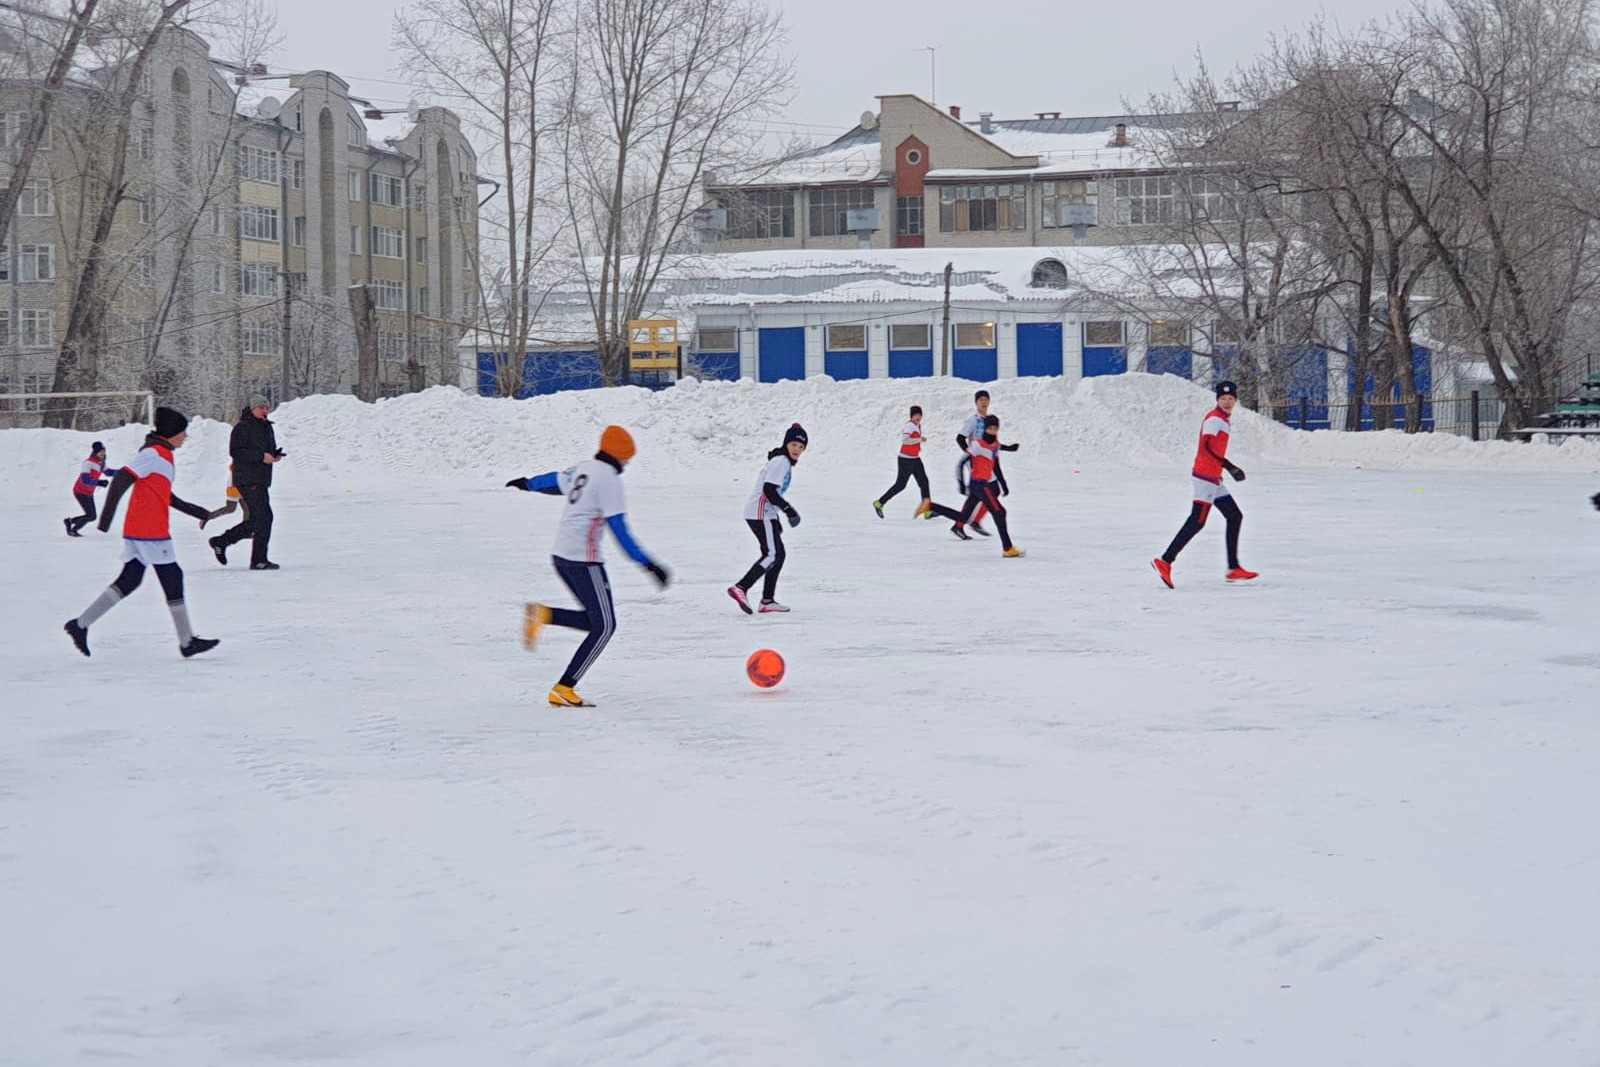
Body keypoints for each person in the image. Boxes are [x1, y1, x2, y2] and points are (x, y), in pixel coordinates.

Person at [508, 425, 671, 708]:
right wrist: (649, 565)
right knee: (605, 626)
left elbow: (552, 482)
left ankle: (544, 614)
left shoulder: (585, 468)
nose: (628, 463)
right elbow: (619, 529)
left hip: (562, 557)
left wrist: (527, 482)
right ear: (618, 455)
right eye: (626, 457)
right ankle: (564, 687)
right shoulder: (608, 479)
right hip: (584, 560)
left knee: (595, 621)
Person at [63, 407, 220, 659]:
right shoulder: (153, 454)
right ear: (171, 434)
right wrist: (104, 520)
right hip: (149, 529)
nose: (185, 437)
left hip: (142, 527)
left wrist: (198, 511)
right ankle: (187, 641)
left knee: (131, 579)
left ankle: (80, 625)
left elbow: (165, 495)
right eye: (182, 433)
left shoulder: (163, 455)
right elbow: (122, 477)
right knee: (172, 576)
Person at [1151, 380, 1259, 588]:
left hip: (1212, 477)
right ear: (1217, 400)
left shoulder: (1223, 419)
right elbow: (1207, 446)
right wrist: (1229, 466)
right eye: (1223, 399)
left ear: (1235, 400)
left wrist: (1222, 469)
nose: (1227, 402)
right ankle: (1165, 561)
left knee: (1234, 516)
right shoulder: (1215, 419)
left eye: (1230, 399)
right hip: (1205, 477)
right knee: (1197, 521)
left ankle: (1233, 568)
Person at [729, 423, 806, 614]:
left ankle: (767, 600)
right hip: (759, 512)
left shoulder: (782, 461)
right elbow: (769, 490)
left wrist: (776, 520)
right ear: (787, 443)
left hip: (765, 513)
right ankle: (742, 587)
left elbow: (771, 492)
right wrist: (789, 510)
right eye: (794, 444)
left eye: (801, 447)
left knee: (778, 555)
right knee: (772, 555)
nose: (797, 449)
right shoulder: (781, 461)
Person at [210, 393, 283, 570]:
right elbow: (236, 451)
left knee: (258, 518)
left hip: (261, 478)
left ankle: (221, 541)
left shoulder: (266, 427)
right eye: (261, 408)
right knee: (265, 517)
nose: (265, 411)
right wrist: (261, 456)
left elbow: (265, 450)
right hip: (247, 478)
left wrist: (274, 455)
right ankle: (258, 560)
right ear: (252, 409)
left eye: (266, 408)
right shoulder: (242, 427)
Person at [950, 414, 1023, 557]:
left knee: (971, 507)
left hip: (985, 477)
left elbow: (995, 460)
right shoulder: (975, 435)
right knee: (999, 511)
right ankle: (1007, 548)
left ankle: (957, 525)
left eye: (995, 428)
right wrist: (963, 480)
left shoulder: (994, 443)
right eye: (990, 428)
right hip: (979, 479)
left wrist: (1003, 482)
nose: (993, 431)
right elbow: (961, 453)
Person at [872, 405, 934, 519]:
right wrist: (919, 439)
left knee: (924, 482)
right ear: (911, 416)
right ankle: (879, 503)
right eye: (915, 415)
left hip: (915, 459)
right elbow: (905, 440)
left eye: (920, 415)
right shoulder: (910, 425)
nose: (918, 417)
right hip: (905, 459)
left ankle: (927, 510)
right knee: (900, 485)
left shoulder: (917, 425)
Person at [955, 391, 993, 536]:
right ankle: (972, 522)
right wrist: (970, 455)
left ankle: (961, 525)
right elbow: (960, 438)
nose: (984, 402)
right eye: (981, 400)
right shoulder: (973, 420)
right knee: (989, 492)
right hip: (977, 464)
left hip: (988, 462)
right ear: (976, 403)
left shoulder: (990, 420)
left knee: (979, 495)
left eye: (986, 400)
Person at [63, 441, 118, 537]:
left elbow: (109, 472)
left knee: (92, 516)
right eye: (101, 452)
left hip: (88, 492)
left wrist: (123, 472)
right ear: (95, 452)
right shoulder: (88, 463)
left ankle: (70, 521)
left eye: (104, 451)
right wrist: (99, 482)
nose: (103, 453)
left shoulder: (101, 463)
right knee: (91, 516)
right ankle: (73, 530)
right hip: (80, 491)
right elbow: (85, 480)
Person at [201, 463, 247, 529]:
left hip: (243, 485)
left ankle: (246, 530)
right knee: (231, 508)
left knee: (247, 509)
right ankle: (207, 516)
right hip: (234, 486)